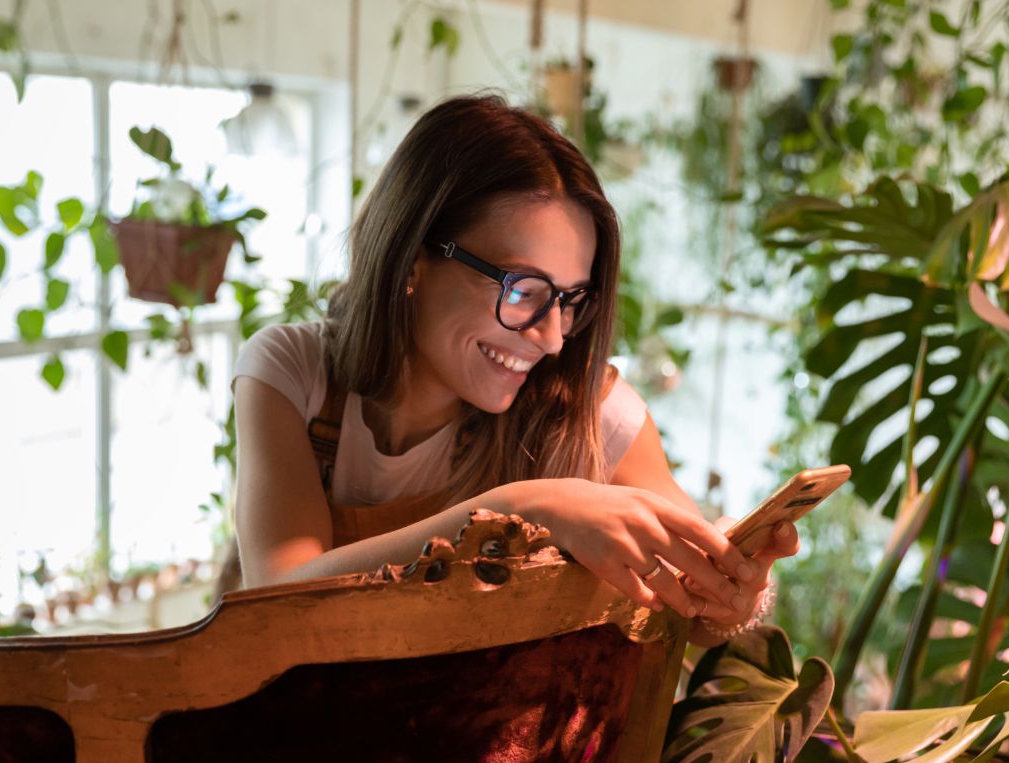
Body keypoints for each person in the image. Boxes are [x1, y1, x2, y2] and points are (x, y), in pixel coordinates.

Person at [230, 94, 796, 645]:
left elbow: (700, 610)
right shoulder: (294, 373)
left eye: (571, 300)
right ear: (413, 259)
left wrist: (735, 594)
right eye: (524, 290)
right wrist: (517, 508)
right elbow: (281, 598)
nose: (552, 340)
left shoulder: (589, 409)